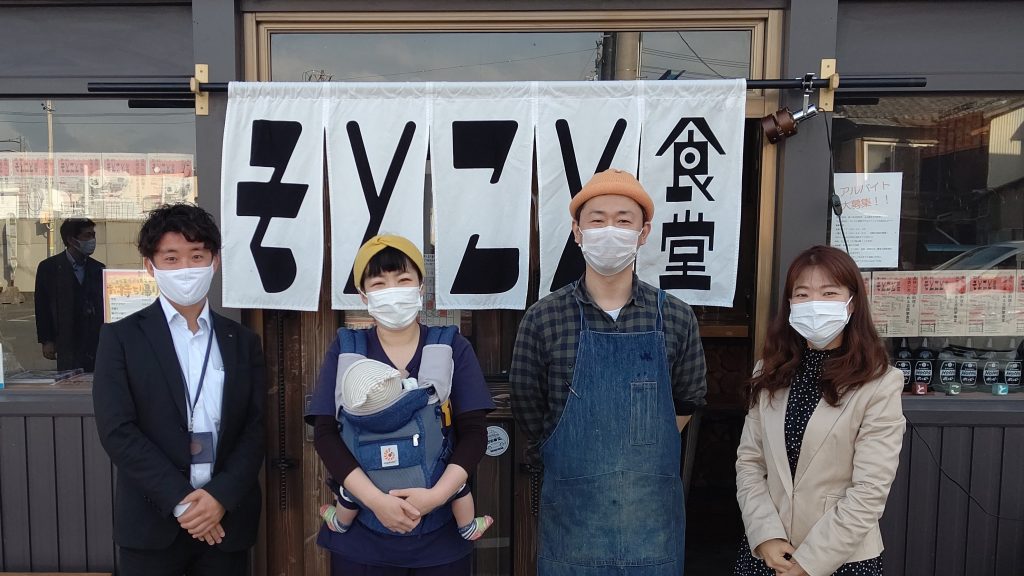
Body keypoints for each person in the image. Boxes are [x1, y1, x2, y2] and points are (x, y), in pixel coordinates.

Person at [510, 169, 707, 576]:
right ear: (577, 231)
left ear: (643, 232)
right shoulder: (544, 319)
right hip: (572, 516)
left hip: (652, 520)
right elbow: (528, 407)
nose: (609, 231)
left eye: (623, 220)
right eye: (597, 221)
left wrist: (640, 445)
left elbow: (687, 400)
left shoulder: (675, 317)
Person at [306, 234, 495, 575]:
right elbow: (326, 433)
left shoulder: (451, 347)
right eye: (378, 283)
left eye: (403, 279)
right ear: (363, 295)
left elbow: (474, 433)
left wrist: (436, 497)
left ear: (421, 287)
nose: (392, 290)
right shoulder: (347, 350)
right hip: (363, 540)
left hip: (439, 537)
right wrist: (375, 501)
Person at [92, 204, 265, 576]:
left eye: (196, 256)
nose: (185, 268)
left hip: (225, 522)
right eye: (171, 258)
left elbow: (255, 429)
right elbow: (117, 430)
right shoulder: (121, 338)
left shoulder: (241, 341)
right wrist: (184, 502)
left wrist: (219, 497)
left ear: (214, 262)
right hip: (151, 524)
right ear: (150, 266)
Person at [734, 245, 905, 576]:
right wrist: (766, 536)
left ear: (851, 303)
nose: (814, 304)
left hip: (841, 558)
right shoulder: (769, 372)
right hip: (768, 554)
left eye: (829, 293)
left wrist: (810, 561)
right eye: (802, 294)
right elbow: (750, 463)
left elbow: (870, 489)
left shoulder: (879, 382)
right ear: (790, 304)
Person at [318, 357, 492, 541]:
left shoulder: (356, 411)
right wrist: (438, 495)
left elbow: (324, 435)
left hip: (371, 485)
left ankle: (339, 523)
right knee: (459, 487)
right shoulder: (410, 392)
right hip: (428, 482)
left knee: (348, 493)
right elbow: (475, 434)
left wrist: (374, 500)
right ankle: (467, 527)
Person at [35, 217, 104, 371]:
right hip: (66, 339)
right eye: (87, 235)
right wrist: (47, 340)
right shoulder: (49, 268)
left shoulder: (98, 268)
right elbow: (42, 306)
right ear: (71, 240)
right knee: (68, 380)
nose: (92, 240)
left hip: (94, 341)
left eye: (93, 235)